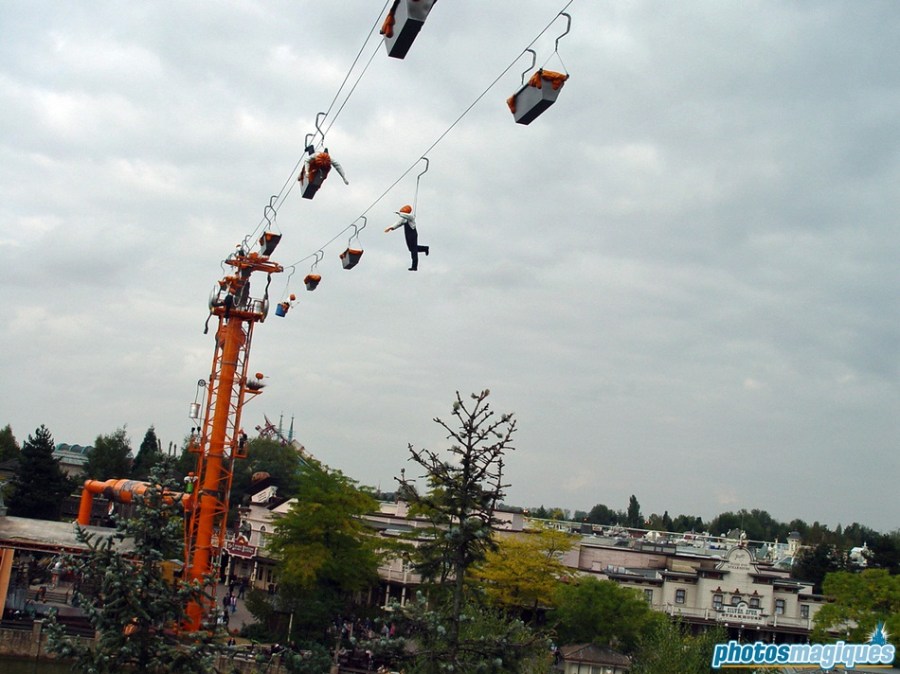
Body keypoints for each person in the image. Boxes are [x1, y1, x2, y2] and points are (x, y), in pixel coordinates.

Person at [384, 204, 429, 271]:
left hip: (413, 235)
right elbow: (398, 223)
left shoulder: (411, 217)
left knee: (413, 250)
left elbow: (404, 215)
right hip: (408, 235)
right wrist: (391, 228)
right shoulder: (404, 219)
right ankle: (425, 248)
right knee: (411, 249)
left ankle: (414, 266)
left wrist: (399, 213)